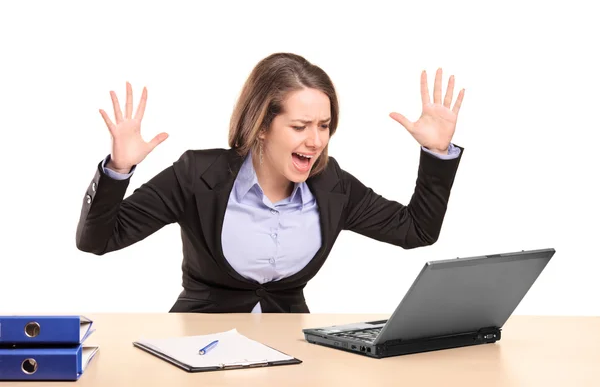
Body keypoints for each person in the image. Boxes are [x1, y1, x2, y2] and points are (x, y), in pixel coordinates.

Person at [76, 52, 465, 313]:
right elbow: (98, 240)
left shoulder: (333, 186)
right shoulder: (197, 175)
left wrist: (436, 154)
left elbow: (417, 230)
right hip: (197, 348)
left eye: (324, 126)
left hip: (292, 355)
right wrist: (118, 169)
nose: (315, 141)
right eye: (299, 127)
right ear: (261, 125)